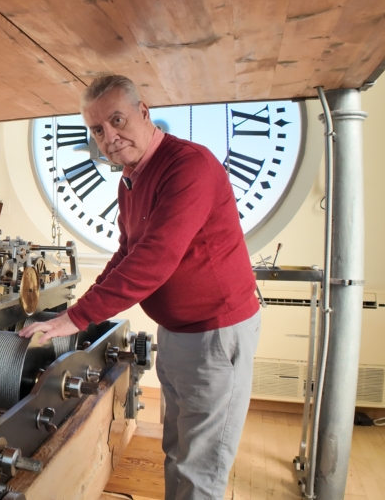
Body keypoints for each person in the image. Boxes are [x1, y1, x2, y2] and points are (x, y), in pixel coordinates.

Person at [18, 75, 261, 500]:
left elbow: (154, 261)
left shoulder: (189, 166)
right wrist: (75, 310)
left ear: (144, 113)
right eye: (97, 129)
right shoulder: (130, 179)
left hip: (215, 335)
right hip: (180, 333)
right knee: (177, 448)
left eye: (117, 120)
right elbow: (128, 252)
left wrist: (78, 317)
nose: (109, 137)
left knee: (201, 465)